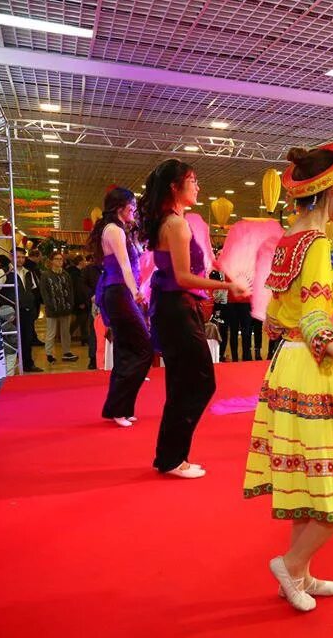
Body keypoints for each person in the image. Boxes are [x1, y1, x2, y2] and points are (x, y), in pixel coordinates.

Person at [243, 143, 333, 612]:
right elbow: (312, 313)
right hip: (315, 366)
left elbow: (273, 317)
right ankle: (290, 564)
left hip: (289, 363)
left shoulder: (289, 241)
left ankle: (301, 573)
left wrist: (330, 338)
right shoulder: (319, 244)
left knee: (309, 480)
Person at [141, 158, 245, 479]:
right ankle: (173, 457)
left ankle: (171, 457)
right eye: (193, 180)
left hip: (176, 307)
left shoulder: (171, 221)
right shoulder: (175, 224)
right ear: (175, 187)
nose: (198, 186)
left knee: (182, 384)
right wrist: (226, 284)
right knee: (200, 381)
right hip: (177, 308)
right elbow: (185, 276)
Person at [89, 187, 154, 428]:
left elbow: (136, 263)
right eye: (132, 207)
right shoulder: (114, 230)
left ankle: (120, 408)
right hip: (119, 293)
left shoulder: (120, 230)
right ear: (120, 208)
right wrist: (136, 292)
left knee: (127, 350)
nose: (134, 211)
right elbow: (126, 268)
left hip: (121, 292)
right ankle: (119, 406)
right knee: (143, 348)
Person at [39, 252, 77, 363]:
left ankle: (67, 352)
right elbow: (44, 293)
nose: (59, 261)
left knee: (66, 332)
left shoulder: (65, 274)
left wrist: (70, 304)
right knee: (51, 332)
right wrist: (49, 305)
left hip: (66, 308)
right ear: (51, 261)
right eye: (56, 259)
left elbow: (70, 291)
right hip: (52, 309)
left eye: (61, 259)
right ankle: (49, 354)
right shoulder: (46, 275)